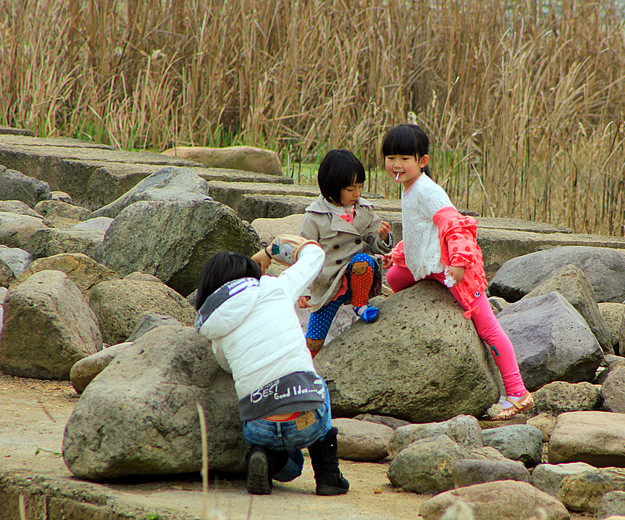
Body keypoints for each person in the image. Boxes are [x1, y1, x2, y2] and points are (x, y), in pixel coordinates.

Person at [381, 123, 534, 421]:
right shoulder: (408, 186)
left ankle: (517, 392)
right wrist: (398, 254)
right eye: (390, 158)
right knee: (394, 278)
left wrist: (461, 264)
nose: (396, 165)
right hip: (431, 268)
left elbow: (454, 225)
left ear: (422, 161)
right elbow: (419, 231)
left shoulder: (427, 190)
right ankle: (427, 299)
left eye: (404, 158)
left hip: (456, 270)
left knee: (487, 326)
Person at [193, 235, 349, 496]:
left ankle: (264, 456)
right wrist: (271, 249)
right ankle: (328, 475)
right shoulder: (275, 287)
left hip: (259, 424)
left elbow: (228, 366)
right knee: (315, 383)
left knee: (290, 467)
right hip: (306, 419)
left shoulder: (214, 327)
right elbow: (314, 254)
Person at [298, 149, 393, 357]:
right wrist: (303, 290)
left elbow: (374, 243)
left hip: (358, 277)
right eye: (351, 189)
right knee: (314, 341)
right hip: (329, 285)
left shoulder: (363, 210)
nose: (357, 193)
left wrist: (383, 237)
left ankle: (360, 304)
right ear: (332, 187)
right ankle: (305, 367)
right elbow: (302, 254)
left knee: (363, 261)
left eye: (360, 187)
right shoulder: (315, 217)